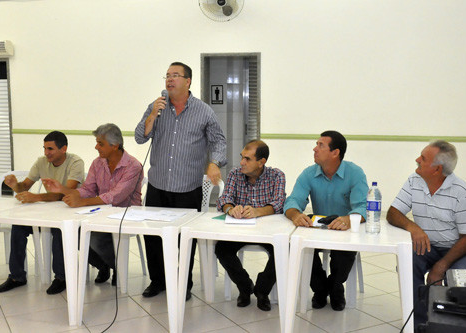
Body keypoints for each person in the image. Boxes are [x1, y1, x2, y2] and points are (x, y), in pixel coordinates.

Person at [135, 61, 227, 300]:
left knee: (184, 238)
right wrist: (153, 113)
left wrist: (214, 162)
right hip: (158, 185)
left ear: (188, 81)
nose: (169, 79)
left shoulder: (204, 110)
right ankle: (158, 281)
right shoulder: (157, 107)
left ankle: (183, 283)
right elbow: (139, 137)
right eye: (167, 75)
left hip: (188, 187)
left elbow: (219, 141)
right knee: (154, 237)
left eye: (175, 75)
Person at [386, 140, 466, 328]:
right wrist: (414, 228)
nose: (417, 160)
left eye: (422, 159)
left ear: (437, 170)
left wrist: (441, 265)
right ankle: (420, 323)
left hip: (464, 248)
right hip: (431, 244)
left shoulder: (461, 193)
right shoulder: (414, 181)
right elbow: (393, 213)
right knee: (408, 262)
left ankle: (452, 325)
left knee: (455, 276)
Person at [43, 123, 143, 286]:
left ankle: (117, 267)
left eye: (100, 143)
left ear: (115, 145)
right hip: (101, 212)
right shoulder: (98, 163)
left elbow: (116, 196)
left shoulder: (133, 165)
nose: (96, 147)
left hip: (126, 213)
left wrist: (80, 202)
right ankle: (103, 265)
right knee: (73, 231)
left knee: (94, 236)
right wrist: (64, 190)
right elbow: (88, 189)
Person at [284, 130, 368, 311]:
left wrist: (347, 219)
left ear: (335, 152)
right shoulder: (308, 173)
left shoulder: (355, 173)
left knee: (343, 251)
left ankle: (336, 287)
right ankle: (320, 289)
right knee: (297, 244)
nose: (314, 149)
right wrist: (295, 214)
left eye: (321, 145)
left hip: (343, 229)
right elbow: (292, 201)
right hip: (318, 228)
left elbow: (362, 207)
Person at [0, 131, 85, 295]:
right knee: (18, 226)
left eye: (50, 149)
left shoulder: (76, 162)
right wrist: (15, 185)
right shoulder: (41, 162)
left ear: (63, 148)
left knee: (59, 232)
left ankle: (61, 278)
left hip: (70, 214)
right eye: (44, 148)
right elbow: (25, 187)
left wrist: (35, 197)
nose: (46, 153)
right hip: (47, 213)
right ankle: (17, 277)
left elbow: (65, 193)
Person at [215, 140, 286, 311]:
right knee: (222, 249)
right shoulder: (235, 174)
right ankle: (245, 286)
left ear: (262, 162)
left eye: (247, 159)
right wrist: (231, 209)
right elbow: (224, 200)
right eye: (242, 157)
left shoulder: (277, 175)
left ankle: (262, 290)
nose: (241, 163)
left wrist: (258, 211)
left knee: (284, 250)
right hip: (240, 230)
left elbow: (279, 203)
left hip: (268, 230)